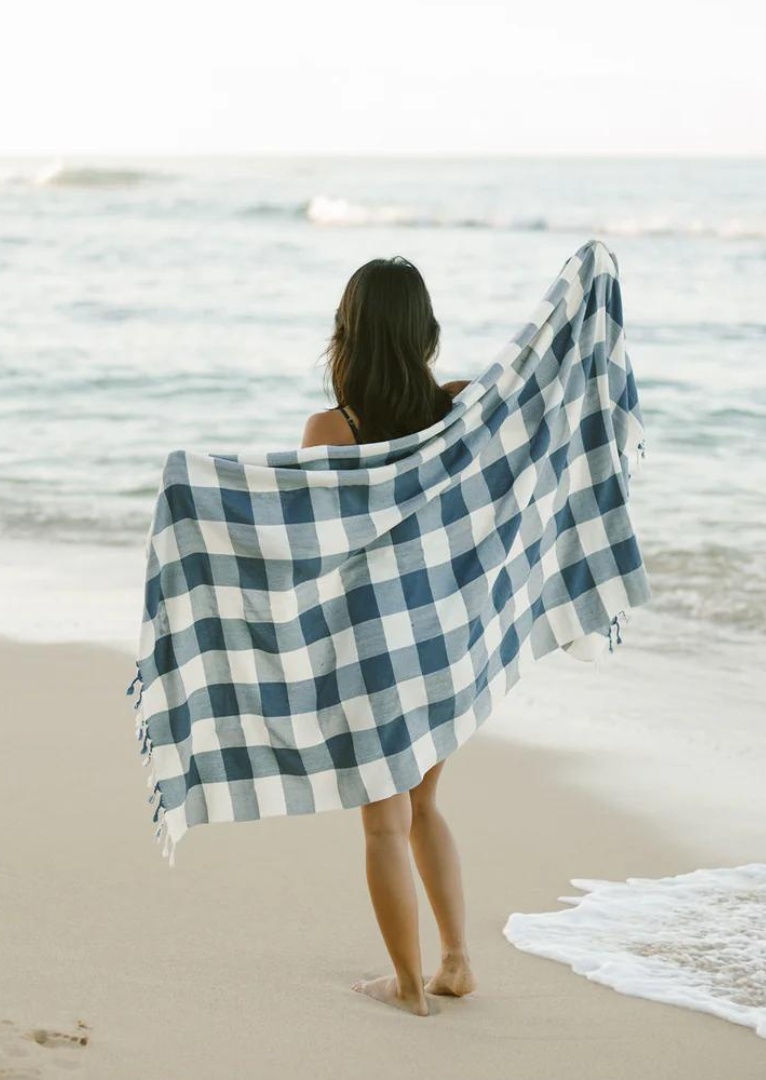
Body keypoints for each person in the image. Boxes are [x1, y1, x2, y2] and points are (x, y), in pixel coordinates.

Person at [301, 256, 474, 1017]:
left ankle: (408, 987)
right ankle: (457, 961)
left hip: (375, 649)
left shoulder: (331, 430)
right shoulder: (465, 408)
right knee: (425, 806)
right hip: (449, 638)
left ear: (349, 333)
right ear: (425, 332)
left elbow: (312, 549)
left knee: (383, 822)